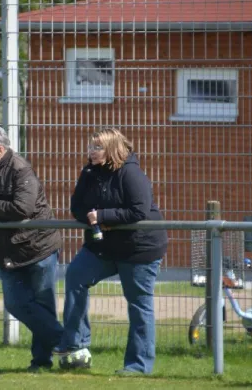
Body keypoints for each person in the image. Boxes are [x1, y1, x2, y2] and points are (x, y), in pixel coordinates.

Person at [55, 128, 168, 375]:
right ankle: (76, 343)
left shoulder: (131, 173)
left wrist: (104, 216)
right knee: (75, 276)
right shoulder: (89, 172)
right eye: (91, 147)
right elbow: (77, 206)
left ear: (111, 150)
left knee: (139, 305)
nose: (91, 152)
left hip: (138, 249)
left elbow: (139, 210)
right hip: (103, 247)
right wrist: (93, 217)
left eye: (97, 147)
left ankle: (138, 366)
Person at [0, 125, 63, 372]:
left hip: (38, 247)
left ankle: (41, 362)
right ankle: (67, 341)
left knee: (43, 306)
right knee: (15, 303)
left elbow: (22, 209)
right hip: (6, 250)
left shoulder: (21, 169)